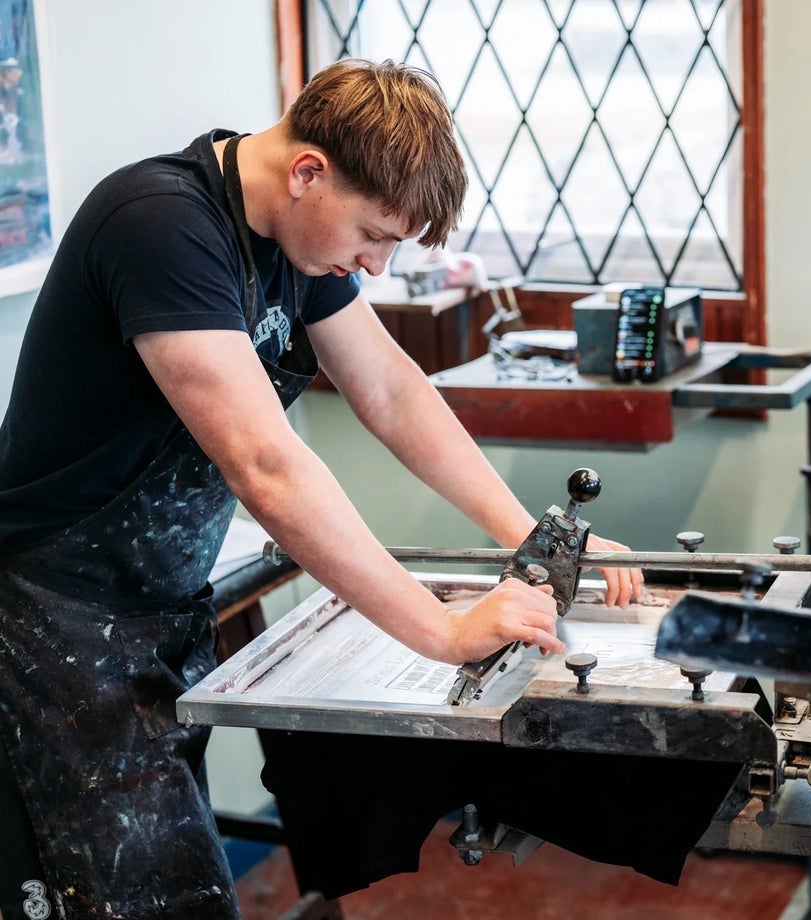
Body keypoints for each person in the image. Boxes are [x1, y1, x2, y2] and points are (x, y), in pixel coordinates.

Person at [0, 58, 642, 920]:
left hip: (155, 600)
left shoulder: (295, 233)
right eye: (375, 235)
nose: (375, 266)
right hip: (49, 616)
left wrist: (535, 538)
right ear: (309, 172)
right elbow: (265, 465)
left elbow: (393, 391)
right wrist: (445, 631)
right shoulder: (159, 227)